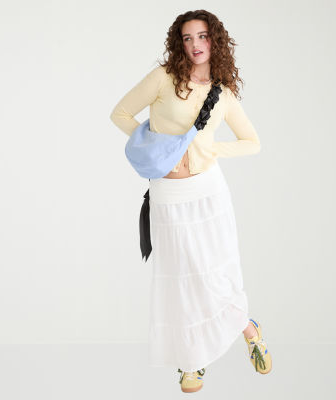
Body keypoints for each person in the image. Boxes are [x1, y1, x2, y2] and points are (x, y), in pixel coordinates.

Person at [110, 9, 272, 393]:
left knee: (212, 274)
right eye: (187, 38)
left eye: (202, 36)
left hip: (208, 193)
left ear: (215, 40)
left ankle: (247, 326)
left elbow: (253, 142)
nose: (195, 44)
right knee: (181, 279)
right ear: (179, 43)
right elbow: (120, 113)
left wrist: (211, 150)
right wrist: (156, 150)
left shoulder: (223, 92)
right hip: (168, 194)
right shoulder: (163, 78)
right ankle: (192, 361)